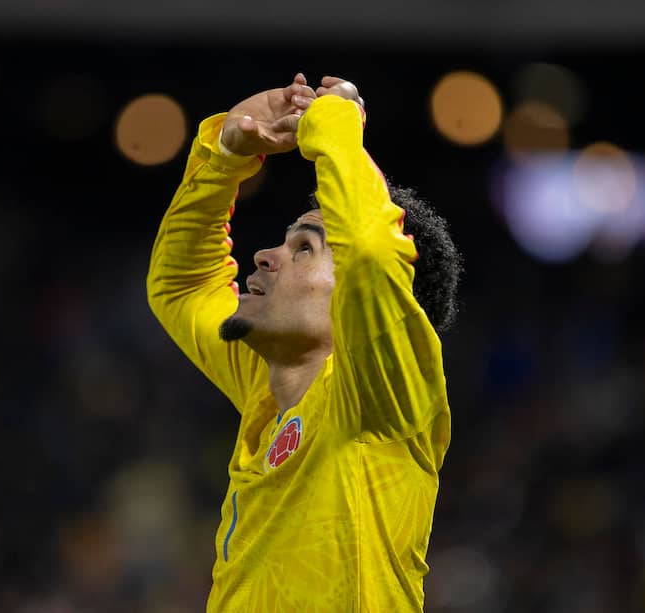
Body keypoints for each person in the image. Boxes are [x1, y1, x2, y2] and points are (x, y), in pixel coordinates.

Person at [147, 72, 462, 611]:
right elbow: (182, 286)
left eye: (305, 248)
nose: (265, 255)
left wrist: (336, 123)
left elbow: (368, 250)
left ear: (368, 304)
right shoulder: (267, 394)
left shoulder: (379, 397)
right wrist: (226, 152)